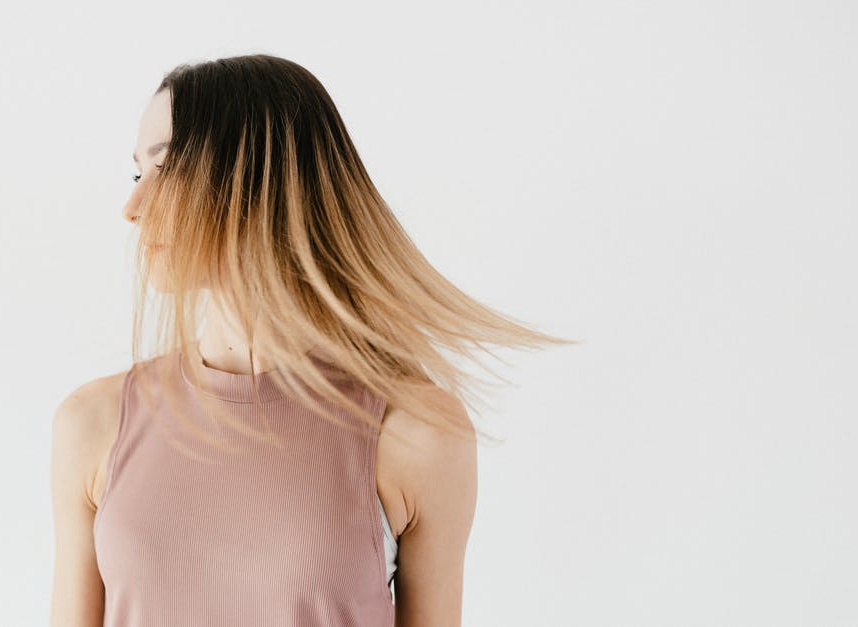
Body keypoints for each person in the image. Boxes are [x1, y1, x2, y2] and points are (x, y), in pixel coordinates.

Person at [50, 54, 573, 627]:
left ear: (260, 177)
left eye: (167, 168)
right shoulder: (95, 423)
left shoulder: (413, 433)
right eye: (137, 173)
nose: (133, 209)